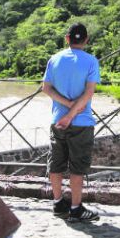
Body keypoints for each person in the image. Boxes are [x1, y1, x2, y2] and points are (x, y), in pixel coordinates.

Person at [41, 23, 101, 222]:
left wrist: (65, 108)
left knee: (56, 163)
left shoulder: (54, 59)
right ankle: (75, 208)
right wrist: (72, 113)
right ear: (86, 40)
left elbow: (46, 88)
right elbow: (88, 93)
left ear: (67, 38)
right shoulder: (91, 61)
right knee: (77, 167)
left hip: (57, 121)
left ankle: (58, 203)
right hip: (81, 123)